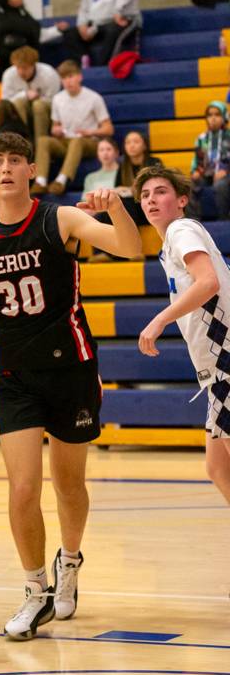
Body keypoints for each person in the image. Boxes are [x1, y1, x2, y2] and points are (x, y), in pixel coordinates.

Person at [0, 131, 141, 639]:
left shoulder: (59, 218)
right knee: (23, 487)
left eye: (15, 160)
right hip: (14, 374)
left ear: (31, 170)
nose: (6, 168)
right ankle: (35, 592)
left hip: (71, 367)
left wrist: (114, 206)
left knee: (69, 483)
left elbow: (130, 248)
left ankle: (68, 561)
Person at [136, 165, 230, 509]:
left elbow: (208, 282)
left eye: (160, 191)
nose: (151, 200)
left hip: (226, 360)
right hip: (215, 366)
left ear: (181, 200)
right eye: (145, 195)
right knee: (218, 466)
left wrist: (159, 320)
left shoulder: (181, 229)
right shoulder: (169, 245)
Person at [33, 61, 114, 195]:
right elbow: (55, 126)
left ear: (79, 77)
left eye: (70, 76)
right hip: (66, 140)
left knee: (77, 141)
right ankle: (40, 181)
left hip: (89, 141)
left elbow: (108, 129)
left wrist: (90, 132)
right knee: (43, 140)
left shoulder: (94, 98)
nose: (68, 81)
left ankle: (61, 180)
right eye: (64, 78)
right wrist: (56, 130)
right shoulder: (58, 99)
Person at [0, 46, 61, 144]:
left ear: (34, 65)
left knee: (38, 105)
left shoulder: (49, 74)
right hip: (20, 109)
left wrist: (39, 99)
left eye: (25, 68)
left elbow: (55, 100)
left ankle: (39, 143)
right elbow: (5, 100)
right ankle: (25, 141)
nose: (21, 72)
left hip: (45, 110)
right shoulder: (9, 74)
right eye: (18, 68)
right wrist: (24, 94)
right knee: (19, 101)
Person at [189, 101, 230, 220]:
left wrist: (225, 171)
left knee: (220, 185)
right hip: (207, 174)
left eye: (217, 115)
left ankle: (224, 219)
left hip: (226, 173)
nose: (213, 118)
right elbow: (198, 160)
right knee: (188, 185)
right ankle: (193, 221)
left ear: (224, 117)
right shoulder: (201, 138)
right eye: (210, 115)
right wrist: (195, 171)